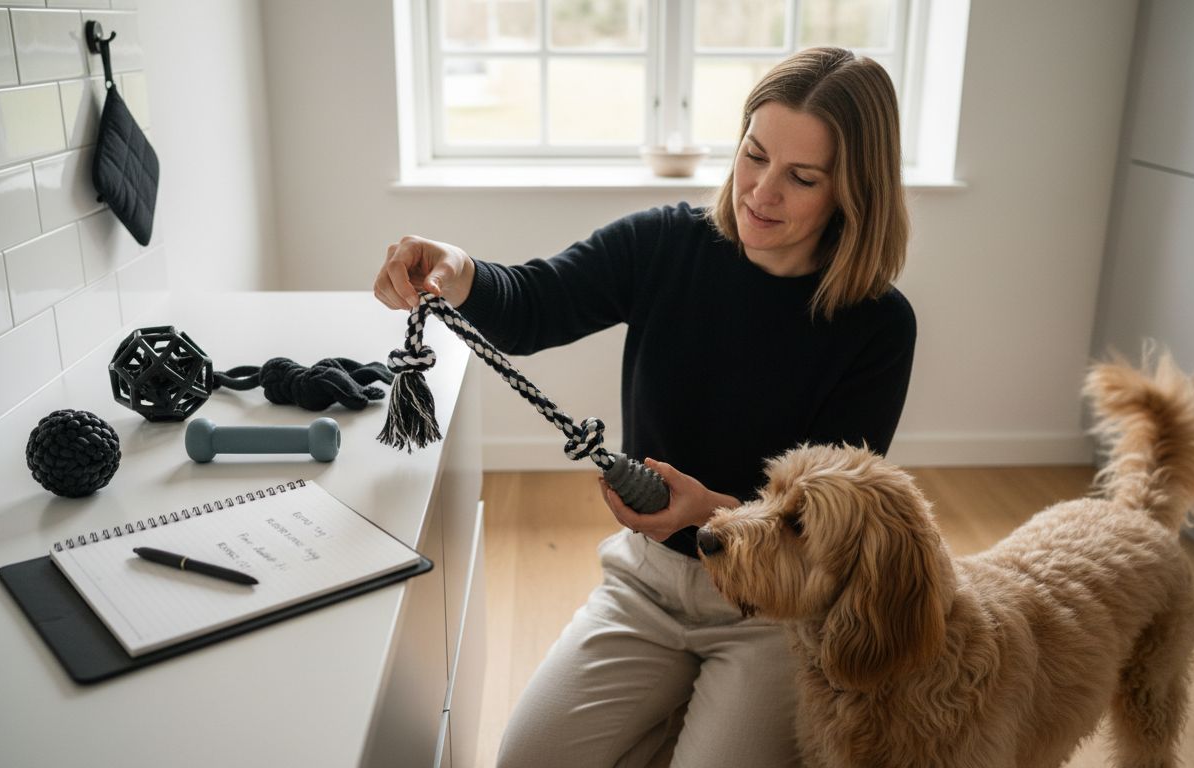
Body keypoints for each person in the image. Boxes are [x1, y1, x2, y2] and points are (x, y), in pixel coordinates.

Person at [374, 46, 915, 768]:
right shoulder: (664, 244)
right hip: (649, 584)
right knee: (526, 760)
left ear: (853, 191)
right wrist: (458, 266)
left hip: (773, 612)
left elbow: (824, 532)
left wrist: (706, 514)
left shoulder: (878, 326)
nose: (760, 191)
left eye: (802, 178)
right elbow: (535, 304)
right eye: (753, 155)